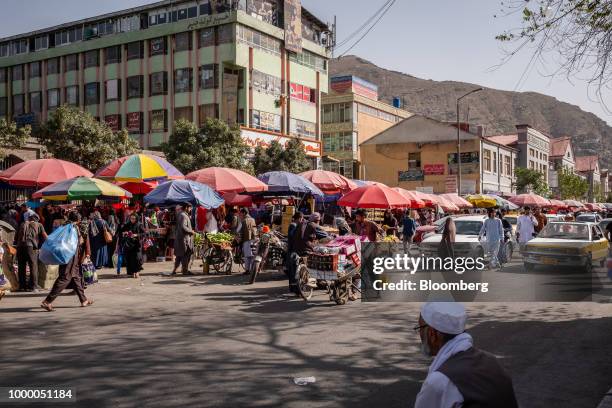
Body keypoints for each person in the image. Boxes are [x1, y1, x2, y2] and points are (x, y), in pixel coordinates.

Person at [414, 302, 518, 408]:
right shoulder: (492, 361)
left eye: (420, 328)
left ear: (432, 334)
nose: (420, 335)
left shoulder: (440, 381)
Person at [40, 211, 94, 312]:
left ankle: (84, 300)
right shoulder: (78, 227)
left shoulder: (63, 226)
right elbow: (85, 240)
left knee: (76, 277)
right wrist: (88, 254)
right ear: (78, 220)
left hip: (65, 255)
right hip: (72, 257)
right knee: (65, 277)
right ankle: (47, 301)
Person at [15, 213, 47, 292]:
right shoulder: (38, 225)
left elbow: (16, 236)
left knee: (21, 266)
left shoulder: (23, 224)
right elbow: (45, 236)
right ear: (37, 219)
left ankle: (22, 286)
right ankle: (34, 286)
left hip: (19, 247)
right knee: (33, 266)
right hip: (30, 247)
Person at [119, 213, 144, 278]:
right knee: (129, 258)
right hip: (128, 244)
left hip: (136, 244)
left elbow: (144, 234)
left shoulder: (139, 225)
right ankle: (132, 272)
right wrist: (125, 233)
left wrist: (136, 235)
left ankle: (137, 271)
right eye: (131, 218)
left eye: (133, 219)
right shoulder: (127, 225)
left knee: (137, 258)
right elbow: (121, 232)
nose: (132, 220)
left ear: (136, 219)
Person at [172, 204, 195, 275]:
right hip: (184, 239)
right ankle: (185, 270)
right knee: (186, 255)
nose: (190, 209)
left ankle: (175, 270)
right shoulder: (183, 215)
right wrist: (191, 231)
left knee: (179, 256)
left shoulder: (181, 214)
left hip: (180, 239)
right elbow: (183, 227)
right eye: (190, 208)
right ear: (186, 207)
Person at [239, 208, 257, 273]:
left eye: (241, 213)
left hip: (246, 239)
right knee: (252, 255)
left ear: (244, 213)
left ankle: (247, 270)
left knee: (247, 256)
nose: (240, 215)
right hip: (254, 239)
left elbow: (239, 230)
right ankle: (252, 270)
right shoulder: (253, 219)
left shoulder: (243, 221)